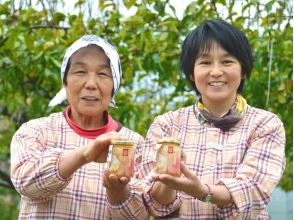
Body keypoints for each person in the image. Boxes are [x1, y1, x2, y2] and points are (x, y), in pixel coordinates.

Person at [10, 35, 180, 219]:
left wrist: (118, 192)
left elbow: (141, 215)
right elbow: (25, 182)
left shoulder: (133, 144)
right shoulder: (37, 131)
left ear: (114, 85)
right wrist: (84, 155)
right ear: (64, 81)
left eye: (102, 74)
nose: (91, 84)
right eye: (80, 72)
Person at [142, 19, 286, 219]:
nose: (216, 71)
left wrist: (202, 191)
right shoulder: (167, 125)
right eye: (205, 62)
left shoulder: (265, 124)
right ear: (191, 73)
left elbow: (253, 191)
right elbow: (154, 203)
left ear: (243, 70)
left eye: (227, 61)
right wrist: (169, 179)